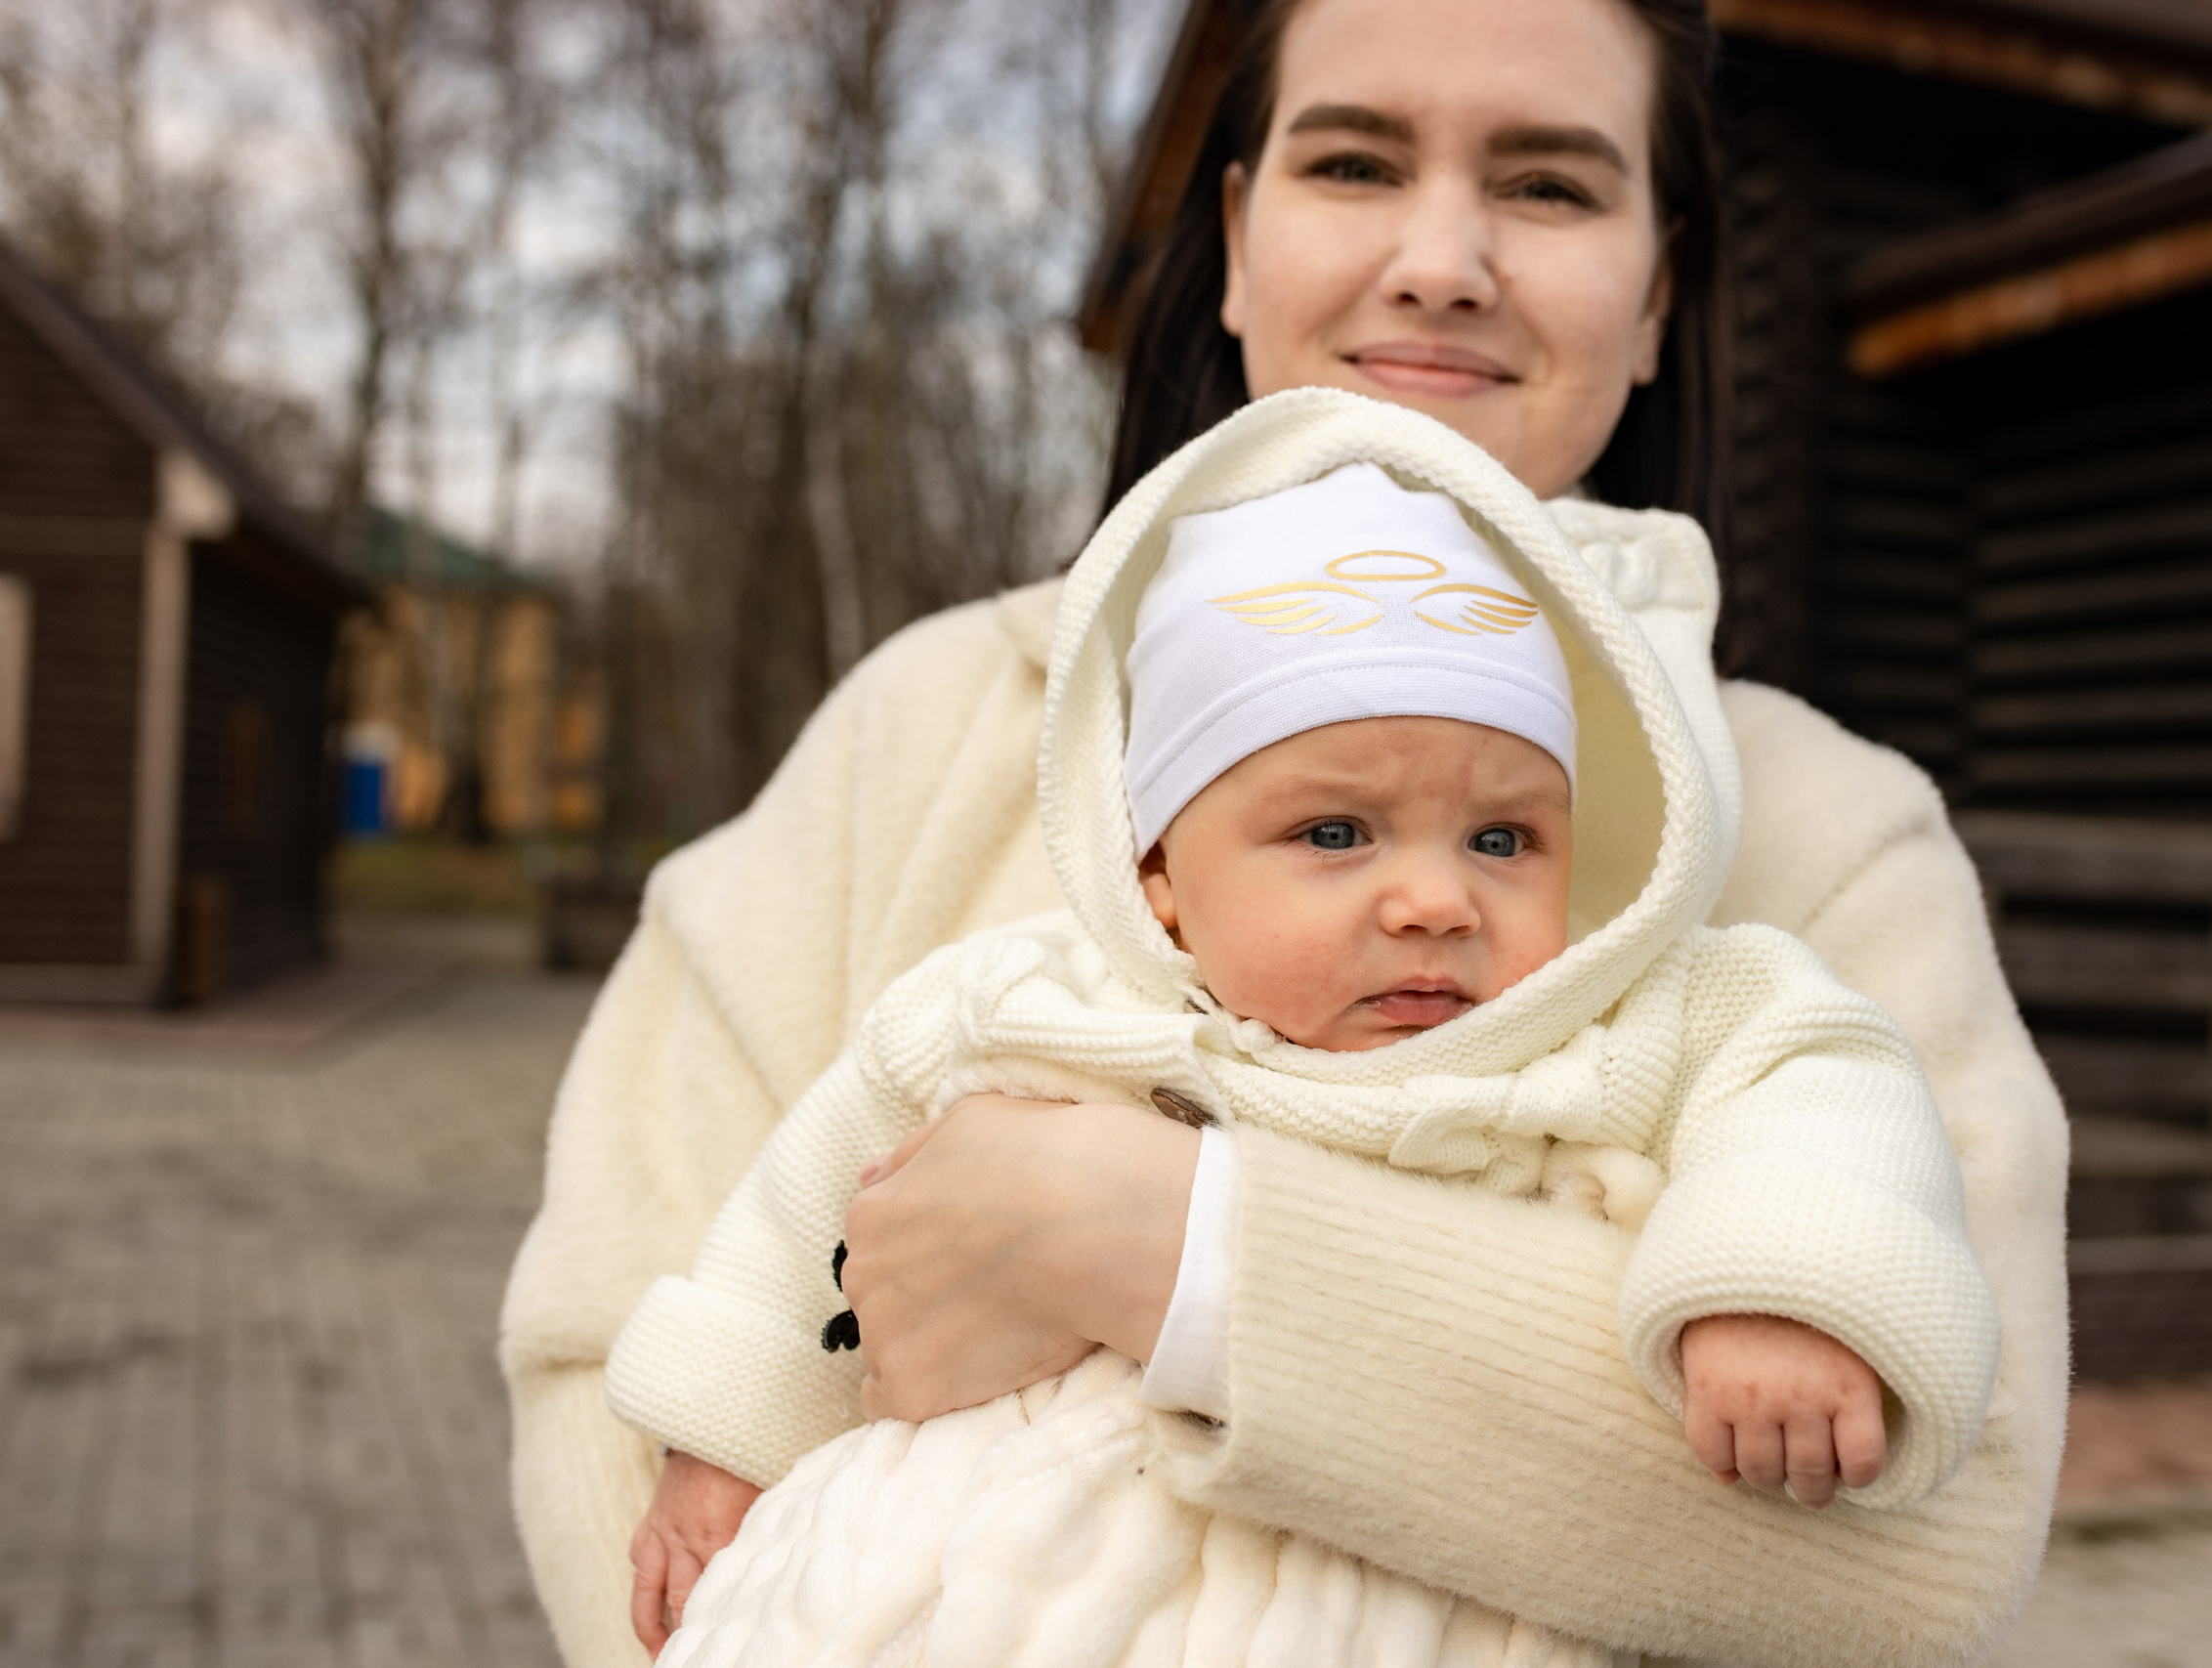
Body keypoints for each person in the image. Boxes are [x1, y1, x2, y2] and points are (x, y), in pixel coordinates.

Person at [499, 1, 2070, 1664]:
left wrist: (1165, 1250)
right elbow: (617, 1351)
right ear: (1238, 239)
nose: (1442, 258)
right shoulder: (922, 727)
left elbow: (1931, 1548)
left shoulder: (1833, 845)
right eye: (1355, 160)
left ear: (1660, 289)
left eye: (1547, 186)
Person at [603, 401, 2002, 1667]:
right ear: (1157, 876)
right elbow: (804, 1204)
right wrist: (728, 1433)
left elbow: (1818, 1074)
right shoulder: (1030, 1003)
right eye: (1336, 831)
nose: (1438, 899)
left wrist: (1780, 1287)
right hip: (994, 1594)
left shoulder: (1638, 1012)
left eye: (1505, 836)